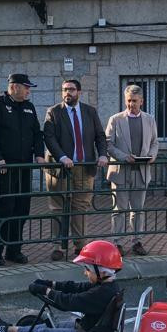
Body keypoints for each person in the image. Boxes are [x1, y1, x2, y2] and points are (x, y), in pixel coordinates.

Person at [0, 240, 122, 332]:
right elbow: (76, 287)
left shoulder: (101, 293)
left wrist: (45, 291)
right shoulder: (107, 286)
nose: (85, 273)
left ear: (102, 271)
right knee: (51, 326)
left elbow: (69, 302)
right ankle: (8, 330)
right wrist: (50, 283)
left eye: (87, 270)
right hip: (91, 329)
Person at [0, 73, 45, 264]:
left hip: (24, 166)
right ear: (14, 87)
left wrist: (39, 155)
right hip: (5, 168)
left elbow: (37, 133)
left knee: (22, 208)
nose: (28, 91)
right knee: (5, 209)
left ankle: (14, 250)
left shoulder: (28, 106)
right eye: (26, 87)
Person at [42, 78, 109, 260]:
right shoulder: (54, 112)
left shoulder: (90, 112)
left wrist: (103, 154)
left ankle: (80, 246)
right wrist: (62, 157)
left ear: (79, 92)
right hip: (60, 168)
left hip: (84, 168)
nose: (67, 93)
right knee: (58, 207)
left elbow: (100, 136)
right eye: (64, 90)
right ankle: (58, 246)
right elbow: (49, 138)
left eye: (71, 89)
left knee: (80, 207)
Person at [105, 84, 159, 256]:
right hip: (121, 171)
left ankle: (137, 242)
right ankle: (117, 243)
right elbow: (108, 144)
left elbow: (154, 142)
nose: (131, 104)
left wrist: (152, 155)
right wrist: (123, 156)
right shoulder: (115, 119)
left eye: (134, 101)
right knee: (119, 209)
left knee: (138, 210)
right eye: (128, 101)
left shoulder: (150, 119)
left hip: (141, 171)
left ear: (141, 101)